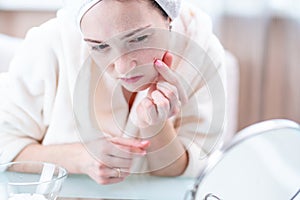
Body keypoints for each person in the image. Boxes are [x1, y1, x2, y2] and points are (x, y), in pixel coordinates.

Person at [0, 0, 227, 185]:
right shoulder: (48, 45)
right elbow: (6, 147)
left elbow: (189, 170)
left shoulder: (201, 49)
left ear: (169, 19)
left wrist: (154, 125)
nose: (123, 67)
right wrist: (82, 158)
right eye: (99, 47)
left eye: (139, 38)